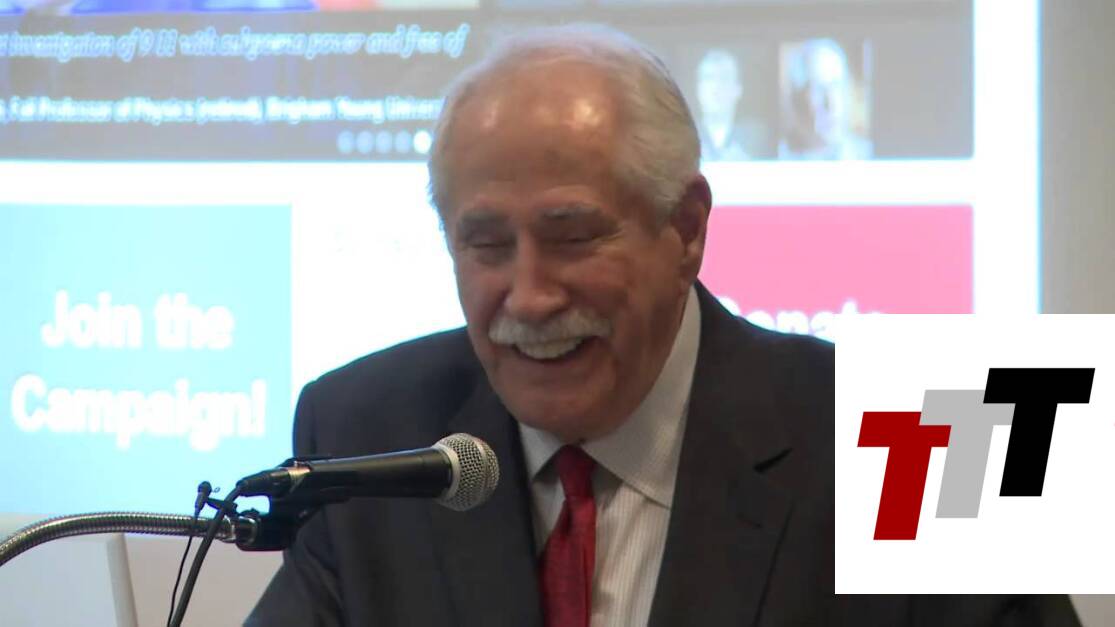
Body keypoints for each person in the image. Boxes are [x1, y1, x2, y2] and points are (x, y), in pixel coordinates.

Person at [247, 24, 1080, 626]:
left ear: (685, 229)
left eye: (572, 236)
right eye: (487, 245)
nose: (528, 297)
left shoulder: (940, 433)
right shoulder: (365, 429)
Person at [778, 38, 873, 161]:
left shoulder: (867, 156)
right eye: (819, 89)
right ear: (796, 99)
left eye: (837, 86)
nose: (831, 104)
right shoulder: (777, 158)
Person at [695, 49, 751, 161]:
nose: (716, 87)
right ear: (698, 89)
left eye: (724, 78)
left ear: (738, 89)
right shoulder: (683, 137)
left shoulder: (756, 139)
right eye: (708, 78)